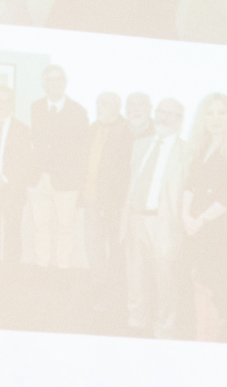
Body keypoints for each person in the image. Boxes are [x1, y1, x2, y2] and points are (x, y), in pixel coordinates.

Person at [181, 92, 227, 342]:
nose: (215, 118)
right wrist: (186, 217)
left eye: (221, 112)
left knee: (214, 288)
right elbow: (190, 185)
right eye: (210, 113)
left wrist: (198, 221)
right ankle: (201, 336)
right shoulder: (202, 146)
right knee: (195, 285)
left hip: (218, 228)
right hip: (194, 227)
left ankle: (211, 341)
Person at [124, 96, 189, 339]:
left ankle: (165, 324)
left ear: (180, 121)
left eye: (171, 114)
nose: (164, 117)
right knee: (134, 272)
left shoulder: (187, 151)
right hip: (134, 218)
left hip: (164, 222)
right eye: (161, 111)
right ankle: (136, 318)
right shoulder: (140, 144)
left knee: (165, 278)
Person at [29, 65, 89, 271]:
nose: (54, 83)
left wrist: (80, 183)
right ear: (44, 84)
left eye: (58, 79)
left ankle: (63, 269)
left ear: (65, 83)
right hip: (39, 178)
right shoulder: (35, 107)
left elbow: (83, 151)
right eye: (50, 80)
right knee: (40, 226)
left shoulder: (79, 111)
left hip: (67, 181)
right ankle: (41, 266)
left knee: (65, 227)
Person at [83, 91, 131, 309]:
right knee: (93, 240)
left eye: (104, 104)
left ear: (117, 107)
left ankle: (115, 284)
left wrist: (113, 200)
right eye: (97, 102)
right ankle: (98, 280)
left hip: (112, 201)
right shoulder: (94, 128)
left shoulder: (126, 131)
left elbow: (123, 170)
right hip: (91, 197)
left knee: (115, 243)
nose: (98, 107)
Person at [0, 84, 32, 268]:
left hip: (12, 189)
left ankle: (11, 276)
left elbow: (24, 161)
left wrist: (3, 178)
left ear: (12, 103)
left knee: (12, 233)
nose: (2, 104)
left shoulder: (22, 129)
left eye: (6, 100)